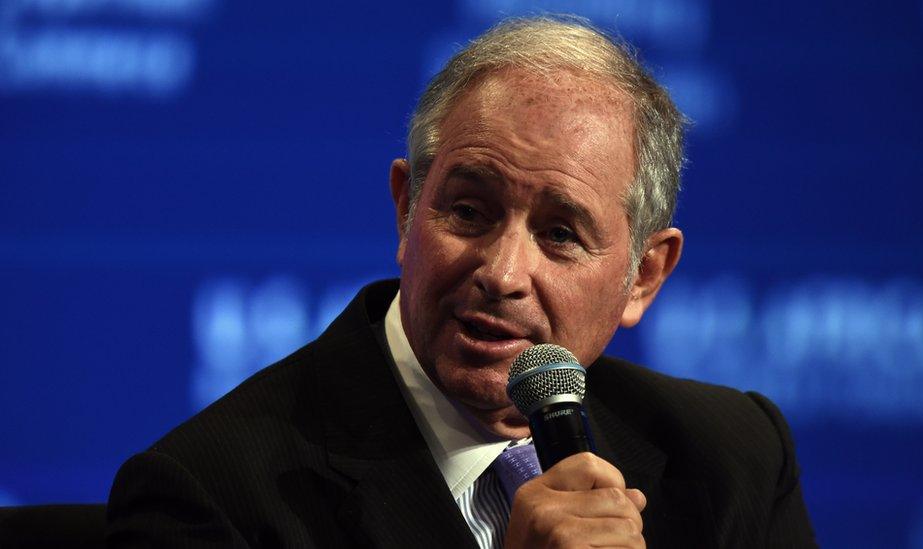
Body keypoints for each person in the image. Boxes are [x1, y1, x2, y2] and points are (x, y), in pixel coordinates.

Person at [107, 16, 816, 548]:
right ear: (406, 207)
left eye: (561, 234)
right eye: (469, 211)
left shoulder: (733, 459)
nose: (503, 273)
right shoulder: (211, 496)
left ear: (643, 275)